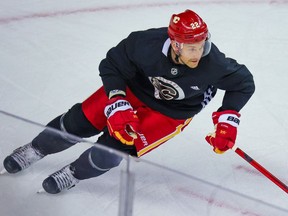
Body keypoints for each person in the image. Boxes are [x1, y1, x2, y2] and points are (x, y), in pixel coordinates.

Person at [2, 9, 255, 194]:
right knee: (77, 122)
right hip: (130, 92)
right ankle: (36, 149)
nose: (198, 54)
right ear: (176, 45)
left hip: (168, 114)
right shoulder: (144, 44)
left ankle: (73, 173)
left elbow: (243, 83)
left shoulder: (214, 63)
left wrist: (228, 121)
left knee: (110, 154)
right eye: (191, 48)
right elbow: (112, 65)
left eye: (202, 45)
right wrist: (117, 99)